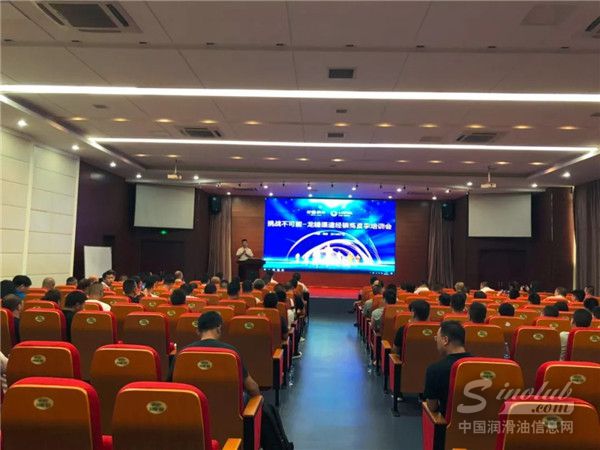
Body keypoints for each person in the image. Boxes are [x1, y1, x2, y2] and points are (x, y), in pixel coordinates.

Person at [170, 311, 260, 397]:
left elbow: (170, 386)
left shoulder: (182, 353)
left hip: (191, 406)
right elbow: (251, 387)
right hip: (227, 406)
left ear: (197, 331)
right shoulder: (231, 353)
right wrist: (259, 400)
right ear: (218, 328)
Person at [424, 321, 471, 415]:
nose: (436, 341)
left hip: (447, 422)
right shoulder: (478, 365)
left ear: (445, 340)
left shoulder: (435, 370)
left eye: (437, 338)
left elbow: (432, 406)